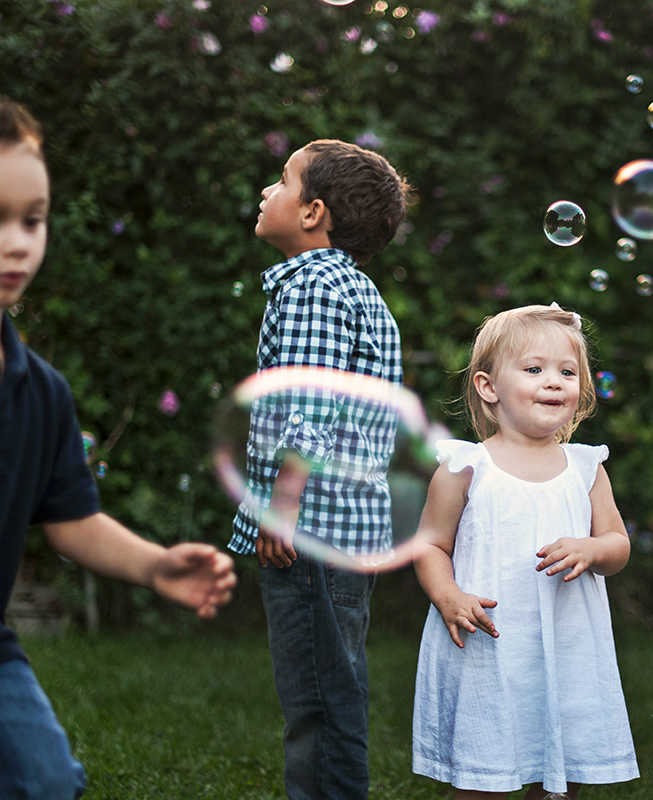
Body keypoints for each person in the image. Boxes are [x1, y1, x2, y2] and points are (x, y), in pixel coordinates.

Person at [0, 91, 237, 800]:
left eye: (33, 219)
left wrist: (154, 566)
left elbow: (72, 519)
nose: (18, 241)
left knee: (45, 785)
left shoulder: (41, 389)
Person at [227, 139, 409, 799]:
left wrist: (283, 502)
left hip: (313, 532)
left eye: (281, 181)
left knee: (320, 704)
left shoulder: (312, 285)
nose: (266, 192)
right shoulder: (350, 287)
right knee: (332, 689)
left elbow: (309, 404)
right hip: (341, 531)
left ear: (313, 213)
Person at [411, 304, 640, 800]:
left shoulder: (585, 468)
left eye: (567, 371)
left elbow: (618, 545)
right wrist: (448, 595)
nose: (553, 381)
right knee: (482, 774)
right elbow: (430, 543)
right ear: (488, 387)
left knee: (562, 770)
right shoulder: (466, 466)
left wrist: (592, 548)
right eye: (534, 369)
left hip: (567, 643)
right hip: (489, 646)